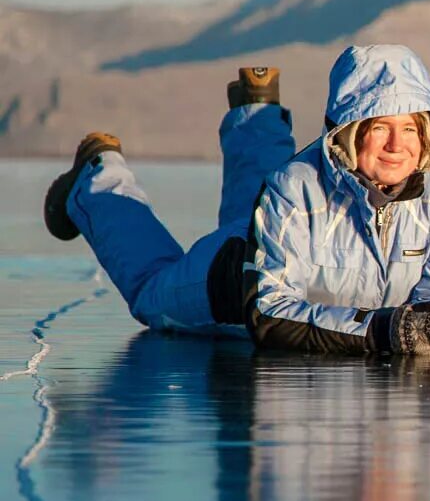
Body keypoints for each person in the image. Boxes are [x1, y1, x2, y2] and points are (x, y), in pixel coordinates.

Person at [245, 44, 430, 354]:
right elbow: (269, 311)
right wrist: (380, 329)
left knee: (254, 179)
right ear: (349, 133)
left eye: (409, 128)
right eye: (380, 127)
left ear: (427, 136)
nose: (397, 145)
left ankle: (258, 108)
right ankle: (256, 107)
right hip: (225, 276)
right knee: (155, 288)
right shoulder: (293, 188)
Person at [42, 66, 295, 338]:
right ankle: (96, 177)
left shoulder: (345, 130)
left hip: (282, 237)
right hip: (244, 279)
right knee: (151, 290)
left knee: (263, 218)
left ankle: (257, 118)